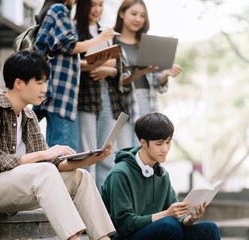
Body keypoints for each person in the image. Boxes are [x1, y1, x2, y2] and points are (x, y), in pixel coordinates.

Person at [0, 50, 115, 240]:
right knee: (44, 170)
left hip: (12, 187)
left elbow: (52, 164)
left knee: (81, 177)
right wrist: (45, 154)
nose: (44, 89)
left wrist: (87, 161)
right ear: (18, 83)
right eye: (39, 83)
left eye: (45, 83)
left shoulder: (29, 115)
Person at [101, 112, 220, 240]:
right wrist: (166, 214)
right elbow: (125, 225)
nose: (165, 149)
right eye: (159, 144)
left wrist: (190, 219)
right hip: (125, 237)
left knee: (209, 229)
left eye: (168, 142)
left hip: (158, 232)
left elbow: (177, 215)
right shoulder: (120, 174)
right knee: (169, 225)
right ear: (143, 143)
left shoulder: (161, 174)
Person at [33, 0, 115, 151]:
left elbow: (63, 56)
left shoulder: (59, 10)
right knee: (65, 151)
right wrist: (100, 39)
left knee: (61, 149)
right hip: (61, 94)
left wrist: (96, 64)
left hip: (59, 93)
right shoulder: (59, 9)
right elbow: (69, 46)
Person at [114, 0, 183, 148]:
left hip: (148, 101)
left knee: (147, 149)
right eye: (134, 14)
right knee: (127, 151)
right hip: (125, 105)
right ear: (121, 13)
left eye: (142, 15)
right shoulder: (113, 43)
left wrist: (166, 74)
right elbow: (115, 81)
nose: (138, 19)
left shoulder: (146, 43)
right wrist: (137, 74)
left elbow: (155, 80)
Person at [74, 0, 127, 190]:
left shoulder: (106, 31)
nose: (97, 9)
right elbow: (69, 60)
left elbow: (120, 64)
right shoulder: (73, 30)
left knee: (107, 153)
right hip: (85, 97)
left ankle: (104, 205)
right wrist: (95, 65)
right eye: (93, 4)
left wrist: (108, 70)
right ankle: (87, 202)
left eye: (101, 5)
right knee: (87, 153)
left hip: (108, 96)